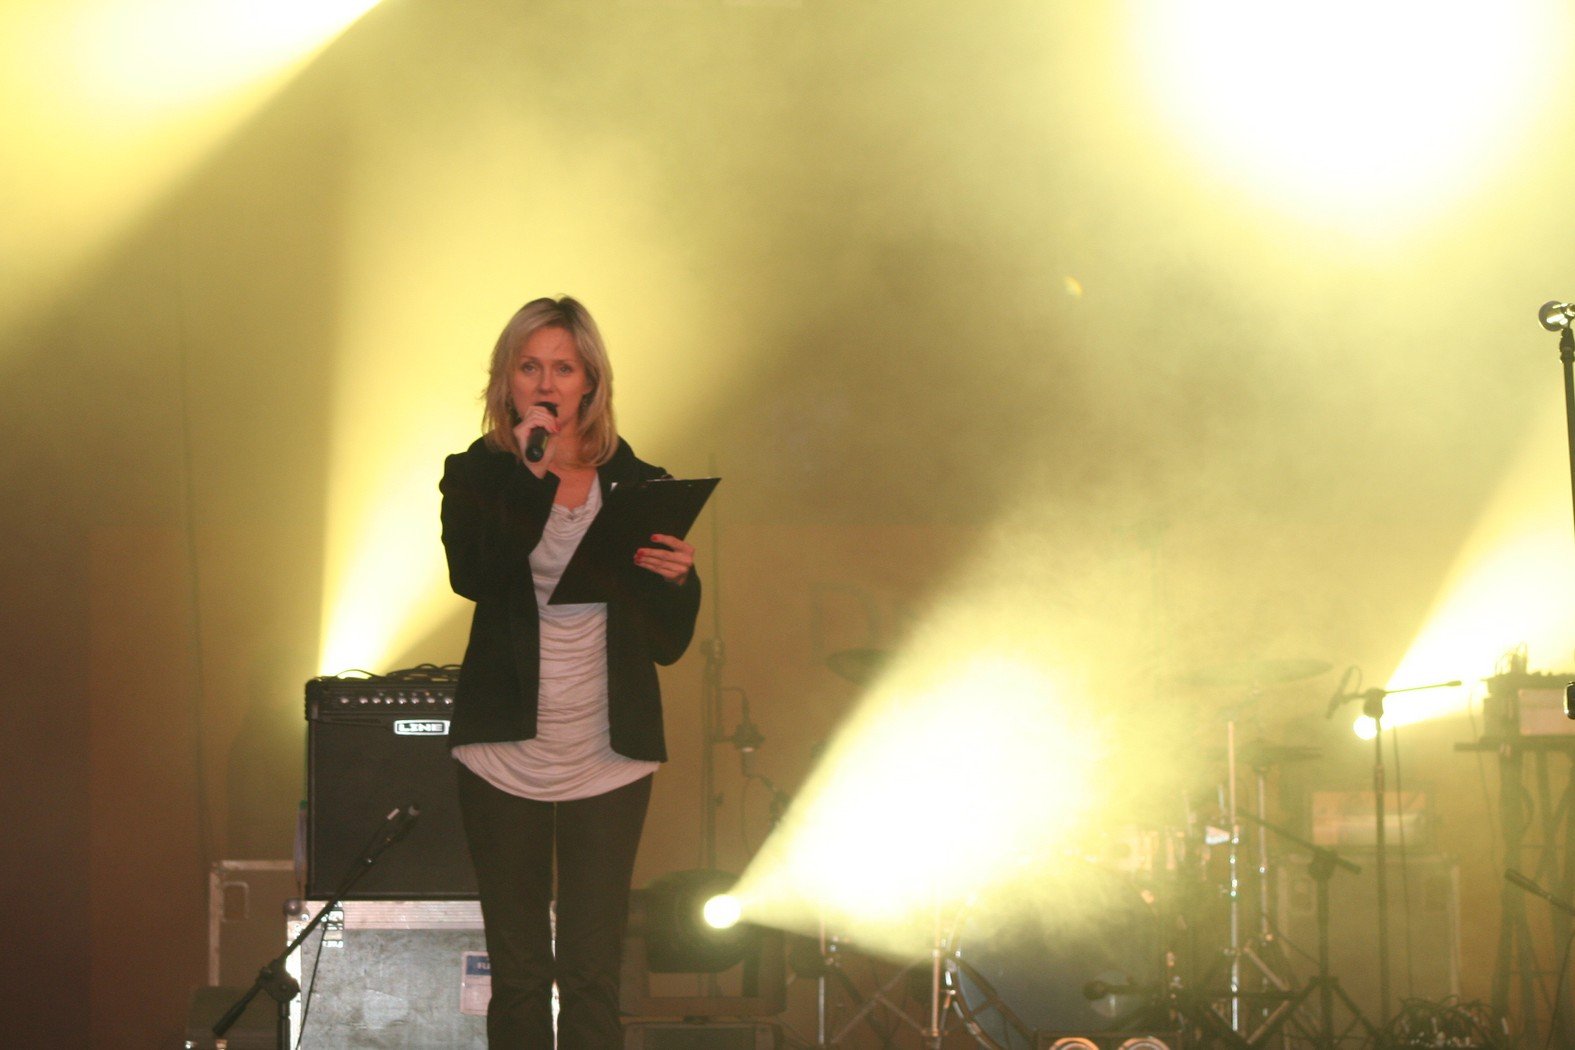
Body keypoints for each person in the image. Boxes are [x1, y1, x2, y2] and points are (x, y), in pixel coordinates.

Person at [439, 295, 700, 1048]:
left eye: (563, 368)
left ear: (591, 381)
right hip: (504, 746)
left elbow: (666, 644)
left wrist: (679, 582)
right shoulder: (476, 474)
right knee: (519, 971)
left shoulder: (641, 482)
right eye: (530, 367)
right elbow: (476, 575)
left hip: (607, 749)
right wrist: (531, 472)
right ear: (506, 379)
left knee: (593, 971)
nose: (546, 383)